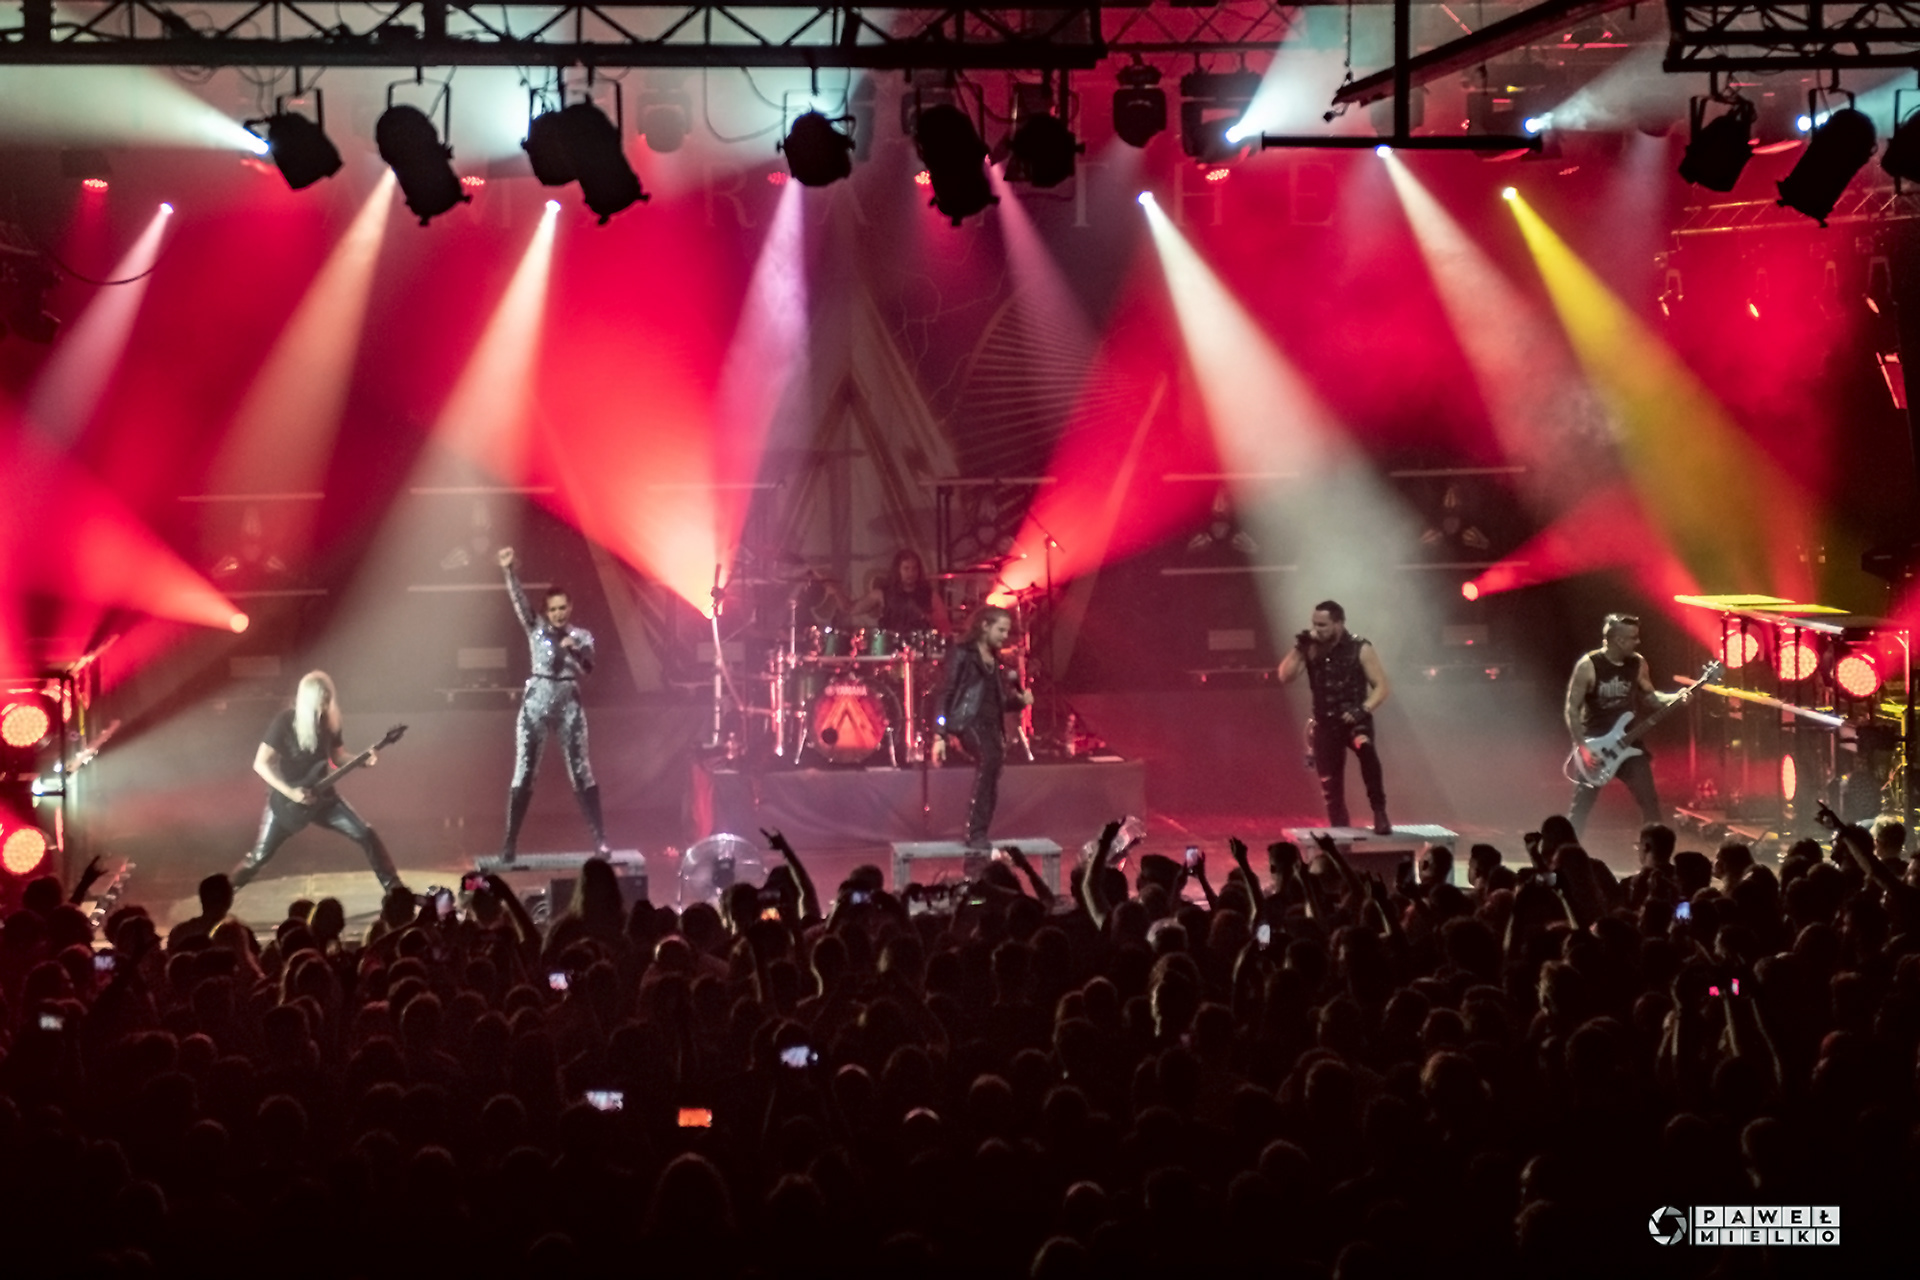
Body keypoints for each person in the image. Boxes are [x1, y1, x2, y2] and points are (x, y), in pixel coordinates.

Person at [231, 671, 400, 892]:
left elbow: (338, 758)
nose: (324, 706)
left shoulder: (329, 722)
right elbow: (260, 764)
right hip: (287, 802)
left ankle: (395, 889)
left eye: (328, 700)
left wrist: (362, 761)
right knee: (259, 857)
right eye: (320, 701)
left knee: (365, 833)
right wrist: (291, 793)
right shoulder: (285, 722)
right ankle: (223, 893)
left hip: (323, 798)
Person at [497, 546, 607, 860]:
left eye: (563, 608)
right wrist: (509, 572)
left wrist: (574, 650)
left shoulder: (582, 636)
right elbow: (520, 603)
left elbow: (589, 670)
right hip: (536, 705)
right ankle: (510, 842)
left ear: (570, 607)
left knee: (582, 771)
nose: (559, 613)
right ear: (546, 610)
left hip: (569, 704)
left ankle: (600, 839)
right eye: (553, 609)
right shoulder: (536, 629)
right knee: (524, 772)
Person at [1277, 600, 1392, 834]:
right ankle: (1340, 832)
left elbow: (1382, 686)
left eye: (1323, 625)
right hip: (1325, 723)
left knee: (1366, 749)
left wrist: (1363, 709)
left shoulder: (1360, 647)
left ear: (1338, 624)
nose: (1317, 629)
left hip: (1354, 720)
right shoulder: (1311, 648)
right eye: (1314, 624)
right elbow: (1284, 676)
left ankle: (1379, 812)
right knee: (1329, 785)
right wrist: (1299, 647)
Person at [1564, 613, 1677, 836]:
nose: (1638, 641)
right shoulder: (1588, 666)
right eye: (1633, 637)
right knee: (1580, 809)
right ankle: (1564, 852)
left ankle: (1654, 852)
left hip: (1629, 743)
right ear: (1619, 640)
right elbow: (1572, 709)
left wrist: (1675, 697)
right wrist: (1583, 749)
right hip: (1596, 748)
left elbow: (1652, 698)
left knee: (1650, 802)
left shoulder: (1637, 663)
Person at [935, 605, 1033, 849]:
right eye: (1001, 630)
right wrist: (939, 734)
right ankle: (975, 832)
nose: (1004, 636)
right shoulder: (963, 653)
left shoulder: (995, 661)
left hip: (991, 725)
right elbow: (946, 692)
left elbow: (998, 702)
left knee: (992, 770)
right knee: (990, 759)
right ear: (984, 626)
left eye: (1007, 631)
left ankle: (980, 833)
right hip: (967, 722)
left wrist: (1019, 702)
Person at [854, 548, 951, 634]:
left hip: (920, 646)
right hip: (891, 646)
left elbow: (944, 626)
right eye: (906, 569)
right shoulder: (883, 594)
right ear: (897, 570)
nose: (911, 573)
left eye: (914, 569)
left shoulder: (930, 596)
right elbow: (854, 609)